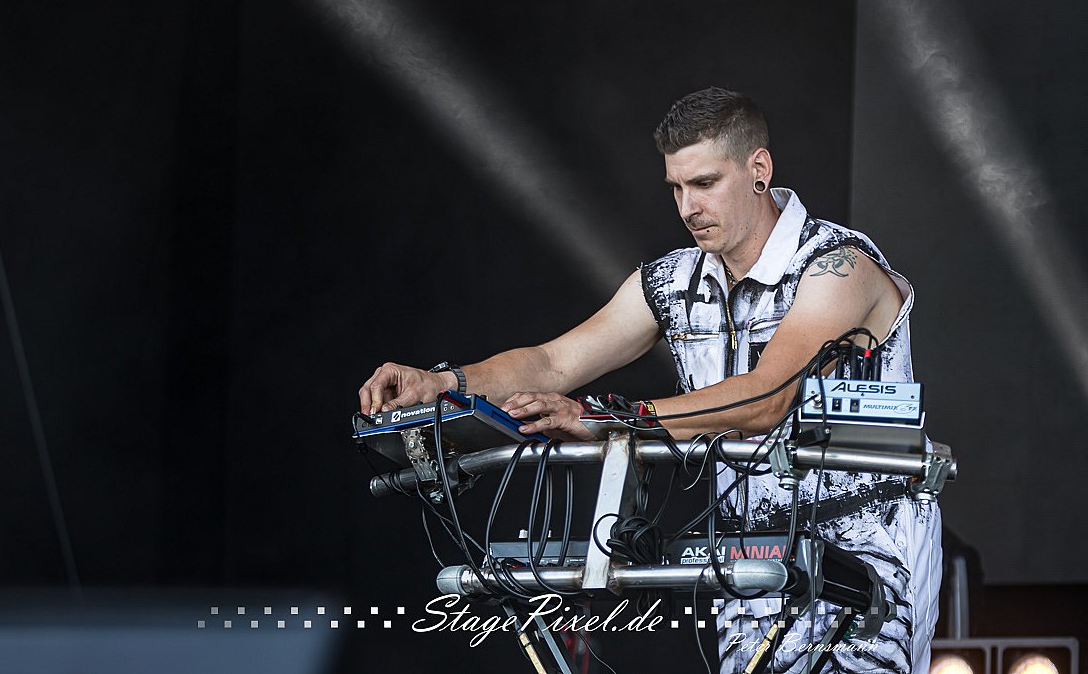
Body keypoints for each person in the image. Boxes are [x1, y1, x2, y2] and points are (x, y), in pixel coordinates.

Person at [359, 87, 941, 673]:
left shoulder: (839, 264)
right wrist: (443, 384)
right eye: (676, 188)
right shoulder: (671, 280)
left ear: (759, 170)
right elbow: (553, 362)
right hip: (748, 559)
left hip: (866, 560)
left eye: (705, 183)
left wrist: (610, 420)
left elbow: (769, 397)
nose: (688, 207)